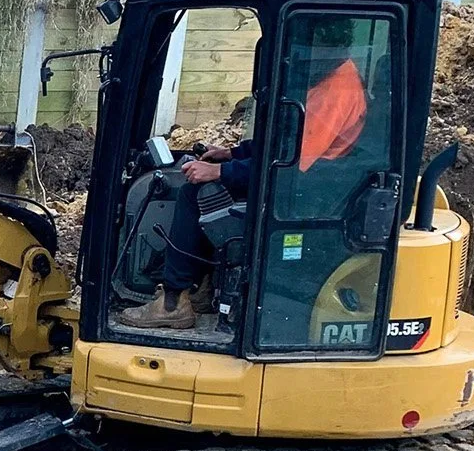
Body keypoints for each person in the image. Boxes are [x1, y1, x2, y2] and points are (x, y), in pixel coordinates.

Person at [119, 56, 368, 331]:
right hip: (314, 188)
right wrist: (232, 154)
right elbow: (285, 145)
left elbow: (288, 167)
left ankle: (173, 302)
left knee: (194, 192)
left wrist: (221, 172)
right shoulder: (337, 80)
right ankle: (200, 288)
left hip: (307, 196)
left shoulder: (335, 91)